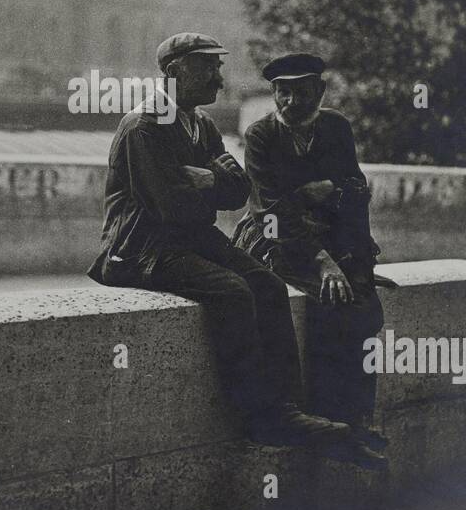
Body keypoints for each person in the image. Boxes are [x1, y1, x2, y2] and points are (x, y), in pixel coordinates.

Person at [88, 32, 382, 464]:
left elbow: (239, 192)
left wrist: (210, 180)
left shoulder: (201, 124)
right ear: (174, 72)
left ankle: (289, 409)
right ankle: (261, 416)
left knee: (266, 282)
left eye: (217, 67)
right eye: (208, 67)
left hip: (187, 239)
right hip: (140, 250)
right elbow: (172, 208)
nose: (219, 78)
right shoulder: (144, 128)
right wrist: (215, 183)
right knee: (232, 290)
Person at [233, 53, 393, 455]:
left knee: (367, 309)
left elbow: (354, 193)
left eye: (300, 92)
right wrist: (322, 258)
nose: (289, 102)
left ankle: (357, 419)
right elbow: (269, 210)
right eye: (281, 93)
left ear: (319, 92)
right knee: (331, 301)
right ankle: (331, 425)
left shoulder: (336, 128)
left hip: (333, 240)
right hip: (274, 239)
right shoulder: (261, 136)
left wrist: (359, 260)